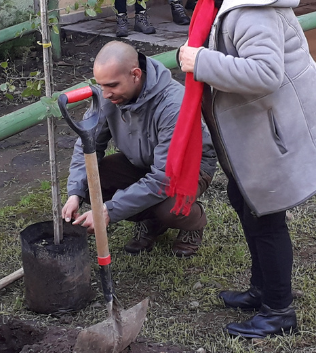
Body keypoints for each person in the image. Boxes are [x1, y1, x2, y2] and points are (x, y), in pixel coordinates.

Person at [155, 0, 316, 339]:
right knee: (245, 201)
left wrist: (199, 61)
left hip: (274, 127)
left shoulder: (247, 8)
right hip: (259, 126)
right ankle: (262, 290)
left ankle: (279, 311)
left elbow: (265, 73)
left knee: (265, 214)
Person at [62, 41, 216, 257]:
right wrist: (74, 194)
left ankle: (193, 223)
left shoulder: (173, 105)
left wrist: (110, 210)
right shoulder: (108, 95)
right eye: (101, 85)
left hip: (188, 169)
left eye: (112, 85)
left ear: (135, 74)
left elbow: (164, 179)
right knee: (91, 183)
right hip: (143, 161)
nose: (105, 94)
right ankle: (151, 221)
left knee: (169, 208)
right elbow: (87, 146)